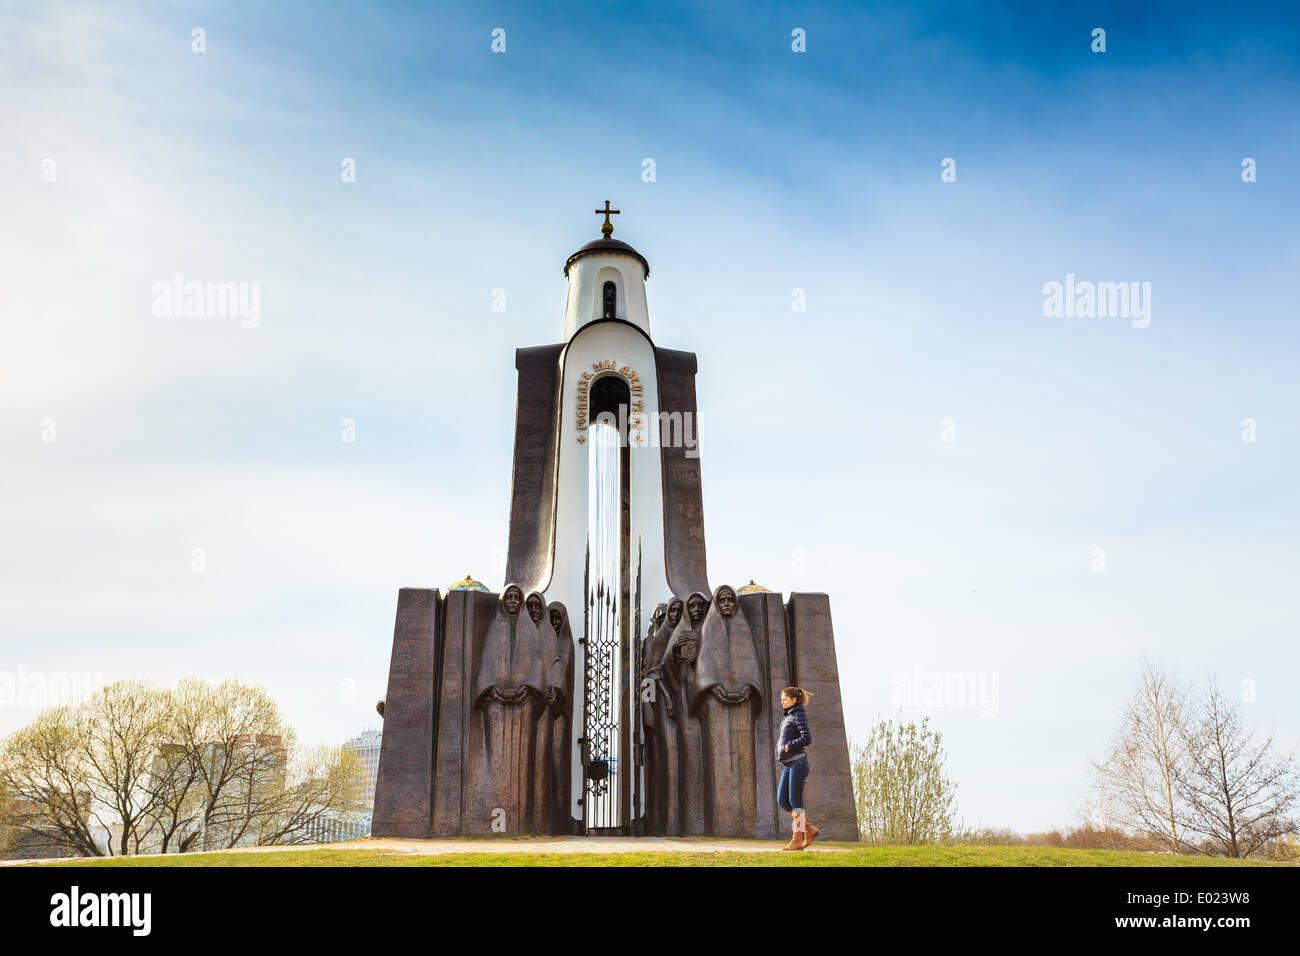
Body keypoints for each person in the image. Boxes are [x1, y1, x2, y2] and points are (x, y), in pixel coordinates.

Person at [775, 686, 818, 850]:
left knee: (795, 801)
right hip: (788, 765)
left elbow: (806, 738)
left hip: (798, 763)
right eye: (781, 699)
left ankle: (797, 839)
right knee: (782, 801)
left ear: (794, 700)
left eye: (784, 699)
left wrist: (788, 746)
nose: (782, 701)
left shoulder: (798, 714)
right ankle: (809, 829)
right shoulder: (788, 716)